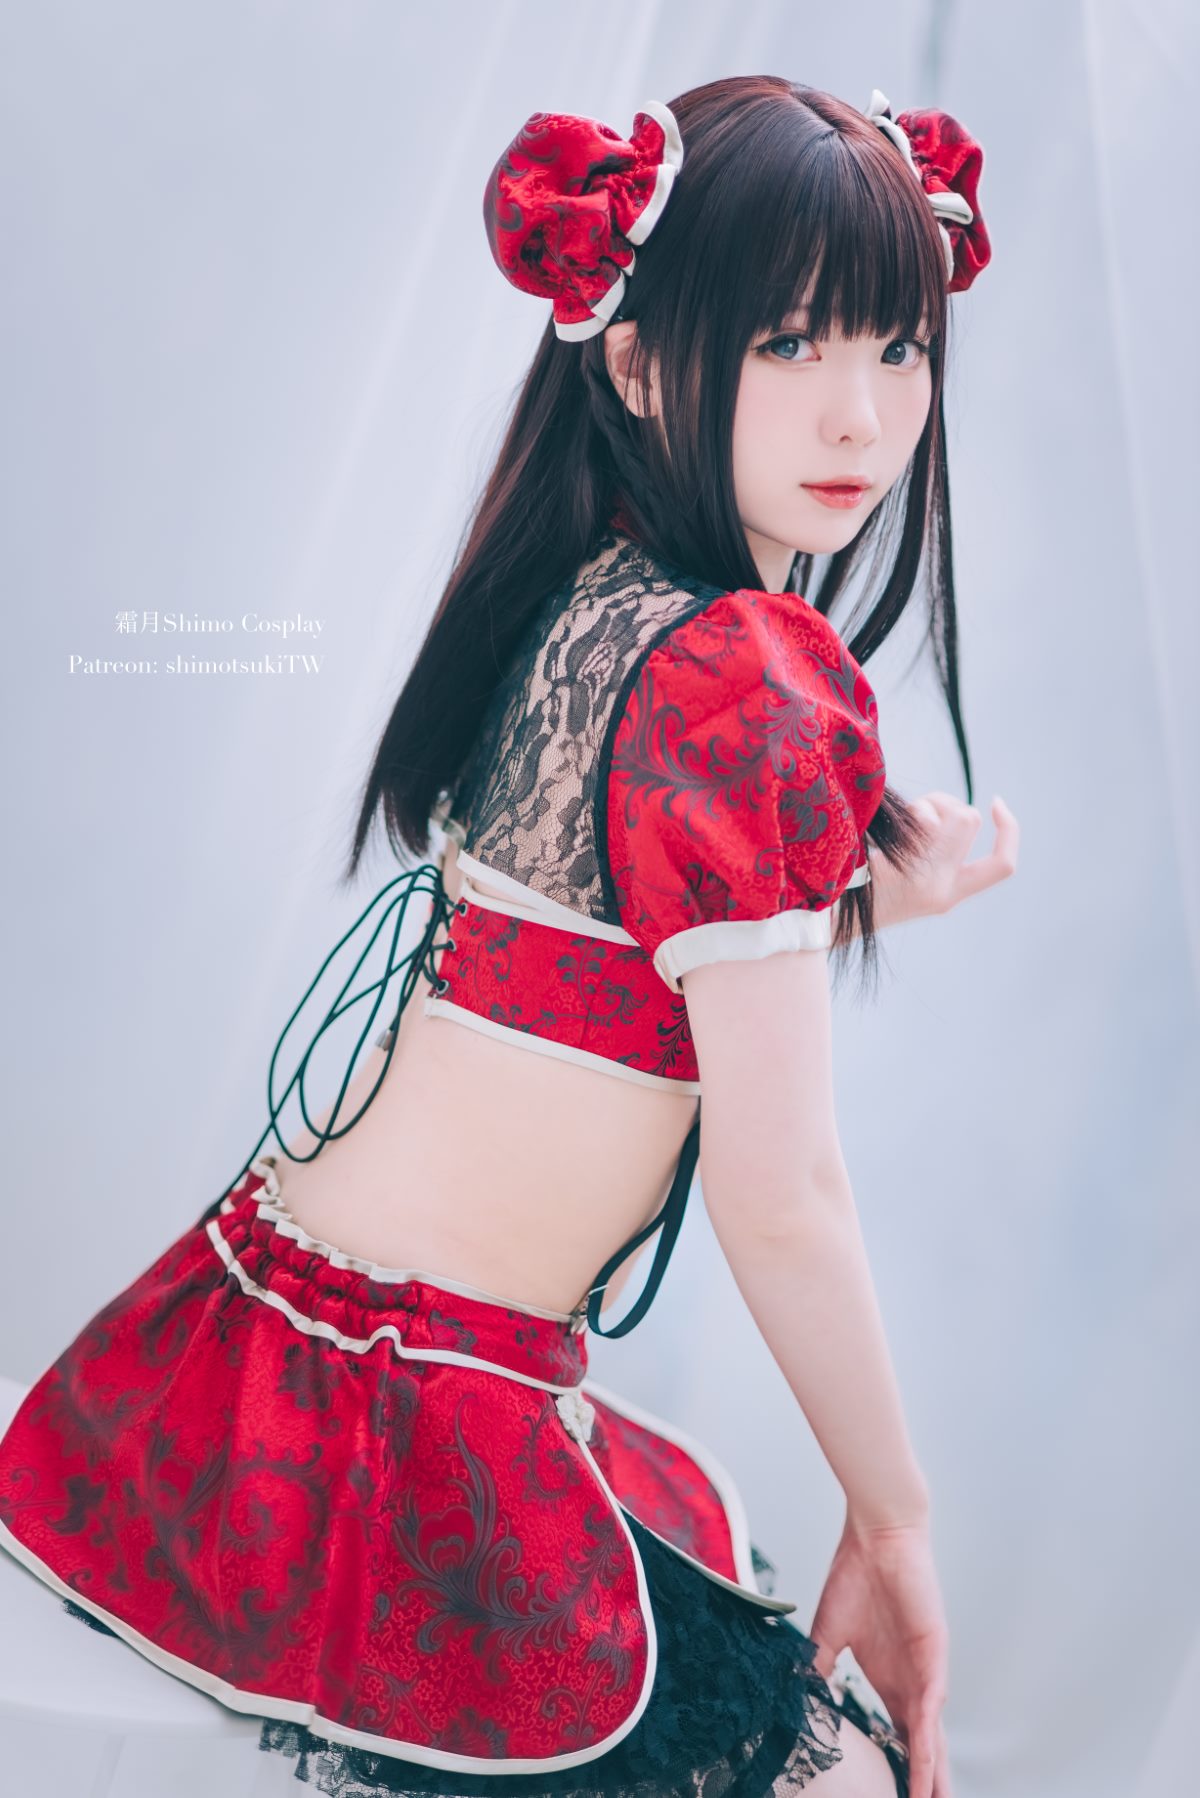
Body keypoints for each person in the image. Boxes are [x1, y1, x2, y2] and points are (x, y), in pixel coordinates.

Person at [0, 73, 1017, 1798]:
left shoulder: (590, 590)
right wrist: (898, 1514)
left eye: (898, 345)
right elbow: (781, 1192)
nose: (861, 411)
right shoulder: (750, 677)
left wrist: (856, 890)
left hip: (241, 1337)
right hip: (404, 1428)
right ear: (638, 363)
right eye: (789, 343)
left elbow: (598, 949)